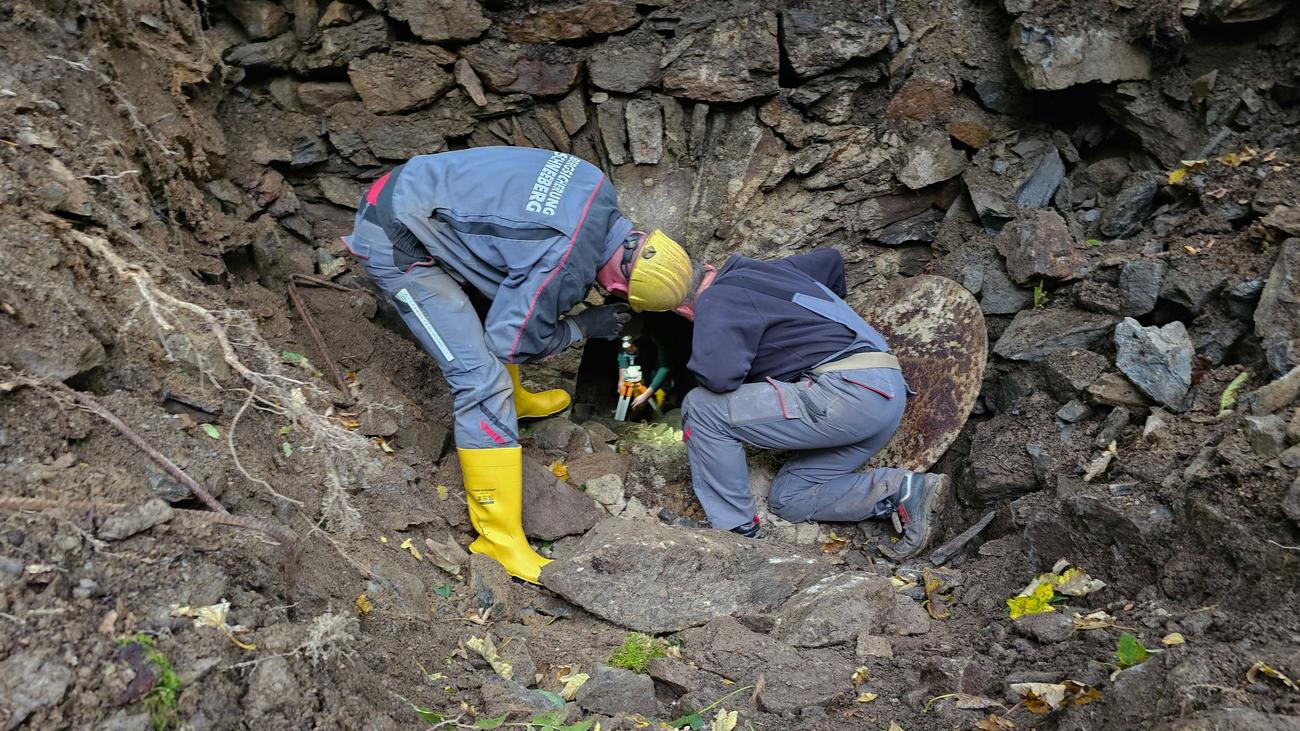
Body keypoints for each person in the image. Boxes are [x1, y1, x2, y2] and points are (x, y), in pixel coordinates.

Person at [341, 147, 696, 582]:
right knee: (481, 381)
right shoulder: (562, 264)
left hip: (422, 188)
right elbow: (510, 342)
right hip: (397, 237)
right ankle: (499, 540)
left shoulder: (596, 184)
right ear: (622, 284)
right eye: (622, 295)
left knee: (513, 292)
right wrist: (584, 326)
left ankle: (519, 402)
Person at [671, 248, 950, 559]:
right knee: (789, 499)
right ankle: (904, 489)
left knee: (701, 408)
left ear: (684, 312)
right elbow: (831, 260)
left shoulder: (715, 299)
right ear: (708, 265)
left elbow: (719, 379)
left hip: (845, 393)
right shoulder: (766, 270)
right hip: (884, 394)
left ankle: (735, 532)